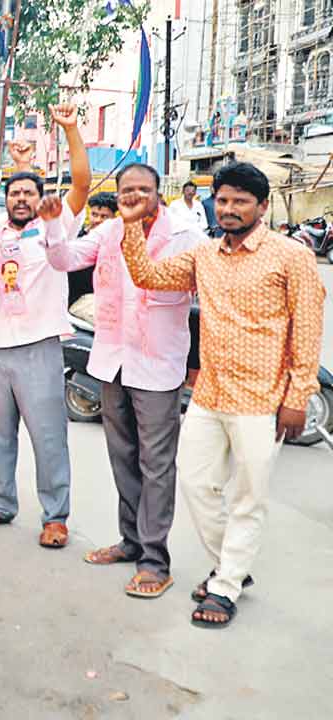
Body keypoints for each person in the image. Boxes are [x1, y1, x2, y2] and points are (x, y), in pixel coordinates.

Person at [120, 162, 324, 627]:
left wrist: (298, 395)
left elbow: (308, 331)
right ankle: (234, 566)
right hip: (209, 393)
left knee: (248, 498)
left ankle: (226, 583)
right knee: (195, 484)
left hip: (263, 398)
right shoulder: (204, 256)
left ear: (262, 206)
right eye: (223, 200)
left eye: (240, 201)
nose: (229, 209)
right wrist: (132, 225)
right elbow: (148, 276)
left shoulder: (291, 257)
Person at [42, 163, 207, 599]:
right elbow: (63, 259)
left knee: (156, 465)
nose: (134, 195)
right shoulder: (109, 231)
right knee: (123, 458)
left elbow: (204, 300)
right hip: (113, 359)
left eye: (143, 189)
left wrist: (198, 364)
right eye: (127, 189)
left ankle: (155, 561)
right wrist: (53, 223)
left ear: (158, 193)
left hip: (157, 365)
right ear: (117, 195)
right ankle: (131, 541)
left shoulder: (184, 234)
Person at [0, 102, 91, 549]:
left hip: (39, 347)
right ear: (5, 198)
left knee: (48, 436)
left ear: (39, 200)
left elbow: (81, 183)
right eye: (14, 192)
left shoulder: (56, 225)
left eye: (28, 193)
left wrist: (70, 129)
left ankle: (55, 517)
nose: (21, 199)